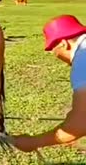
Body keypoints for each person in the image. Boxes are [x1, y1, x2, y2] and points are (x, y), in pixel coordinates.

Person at [12, 14, 86, 152]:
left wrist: (34, 142)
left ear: (64, 43)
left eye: (55, 52)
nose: (58, 57)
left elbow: (81, 123)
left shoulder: (82, 59)